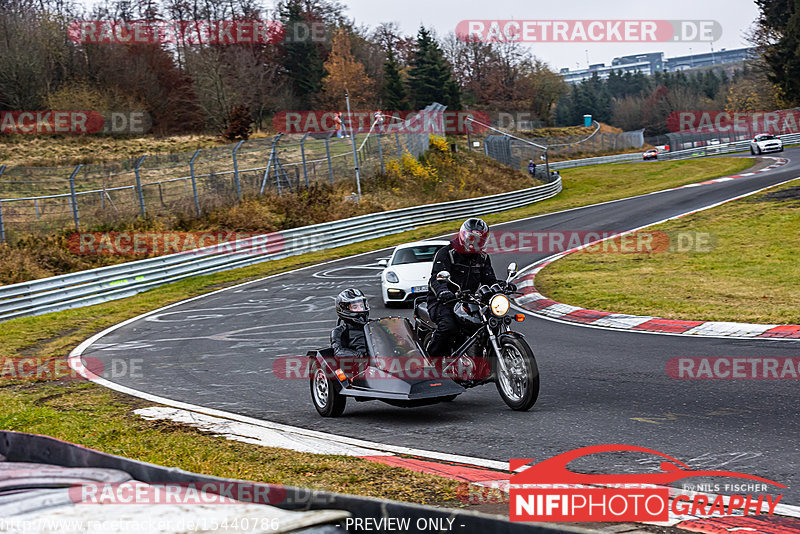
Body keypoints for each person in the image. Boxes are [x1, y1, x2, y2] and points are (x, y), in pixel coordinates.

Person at [425, 218, 516, 359]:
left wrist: (502, 286)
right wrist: (443, 291)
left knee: (489, 322)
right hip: (443, 301)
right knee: (448, 327)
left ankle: (481, 358)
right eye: (472, 238)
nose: (475, 242)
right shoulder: (446, 253)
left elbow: (489, 279)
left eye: (480, 239)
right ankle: (429, 362)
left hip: (469, 301)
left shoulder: (482, 258)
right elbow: (436, 278)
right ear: (463, 235)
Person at [330, 287, 369, 358]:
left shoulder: (373, 325)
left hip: (380, 363)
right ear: (344, 309)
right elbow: (338, 352)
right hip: (355, 365)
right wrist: (359, 355)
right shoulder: (339, 331)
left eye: (361, 306)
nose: (360, 309)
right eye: (355, 307)